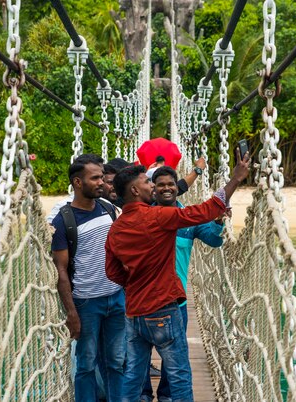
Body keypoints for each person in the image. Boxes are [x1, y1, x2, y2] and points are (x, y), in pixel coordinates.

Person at [105, 152, 250, 402]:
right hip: (164, 309)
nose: (152, 185)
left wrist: (137, 282)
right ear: (135, 190)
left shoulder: (116, 228)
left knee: (132, 375)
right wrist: (235, 179)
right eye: (147, 182)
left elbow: (113, 272)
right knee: (179, 375)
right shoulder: (158, 217)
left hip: (134, 312)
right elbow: (205, 210)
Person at [140, 166, 226, 402]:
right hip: (143, 298)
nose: (166, 188)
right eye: (160, 185)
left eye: (170, 184)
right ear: (153, 189)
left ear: (177, 188)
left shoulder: (189, 219)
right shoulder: (143, 216)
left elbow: (213, 240)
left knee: (174, 358)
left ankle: (166, 396)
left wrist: (218, 222)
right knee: (139, 356)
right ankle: (144, 395)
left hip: (176, 301)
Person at [50, 154, 125, 402]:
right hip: (86, 303)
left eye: (102, 177)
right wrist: (71, 313)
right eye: (95, 178)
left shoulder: (108, 209)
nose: (102, 182)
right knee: (86, 364)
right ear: (78, 182)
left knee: (116, 362)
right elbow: (60, 271)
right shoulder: (63, 221)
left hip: (116, 298)